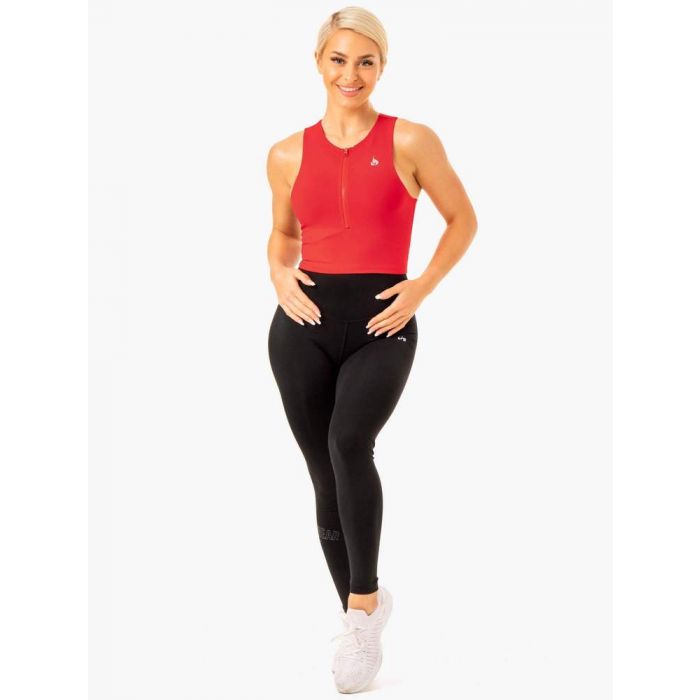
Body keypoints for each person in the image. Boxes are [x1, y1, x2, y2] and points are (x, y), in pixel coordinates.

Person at [266, 6, 478, 694]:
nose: (350, 73)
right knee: (322, 471)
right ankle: (360, 617)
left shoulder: (411, 139)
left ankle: (362, 610)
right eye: (338, 59)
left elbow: (462, 218)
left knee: (349, 441)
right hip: (302, 324)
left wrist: (422, 286)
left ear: (382, 66)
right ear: (319, 63)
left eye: (365, 61)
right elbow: (284, 234)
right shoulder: (286, 153)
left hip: (386, 320)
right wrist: (277, 272)